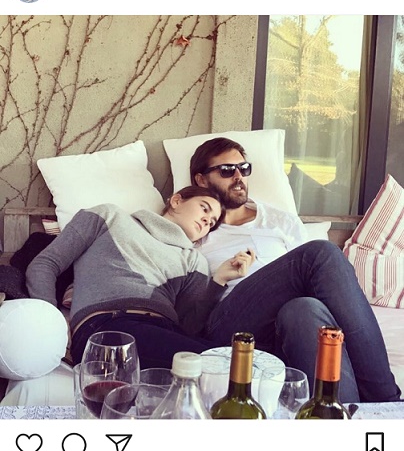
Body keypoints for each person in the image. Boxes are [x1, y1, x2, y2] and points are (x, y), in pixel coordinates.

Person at [190, 137, 401, 403]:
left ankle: (346, 414)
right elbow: (188, 303)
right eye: (226, 170)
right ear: (201, 179)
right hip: (232, 324)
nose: (238, 176)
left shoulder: (280, 220)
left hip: (286, 327)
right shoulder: (199, 225)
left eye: (243, 168)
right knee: (320, 254)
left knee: (304, 308)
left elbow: (325, 281)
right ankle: (387, 399)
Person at [26, 186, 254, 367]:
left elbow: (189, 327)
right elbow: (45, 264)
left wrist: (219, 280)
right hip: (106, 326)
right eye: (204, 209)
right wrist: (53, 324)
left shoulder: (194, 260)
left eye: (212, 223)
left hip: (162, 331)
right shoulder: (109, 216)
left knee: (239, 363)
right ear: (176, 201)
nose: (206, 221)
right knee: (228, 367)